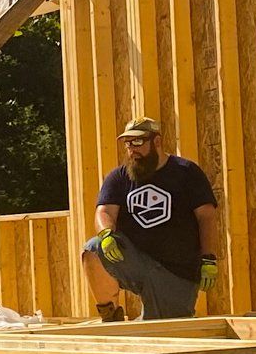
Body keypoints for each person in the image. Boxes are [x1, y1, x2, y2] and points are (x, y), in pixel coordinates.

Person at [81, 117, 221, 320]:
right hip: (137, 261)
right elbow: (104, 212)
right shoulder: (120, 177)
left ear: (157, 142)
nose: (132, 150)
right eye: (128, 143)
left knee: (163, 332)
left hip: (176, 272)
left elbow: (206, 217)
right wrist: (106, 233)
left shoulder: (186, 172)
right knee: (94, 249)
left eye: (138, 142)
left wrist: (208, 258)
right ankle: (110, 315)